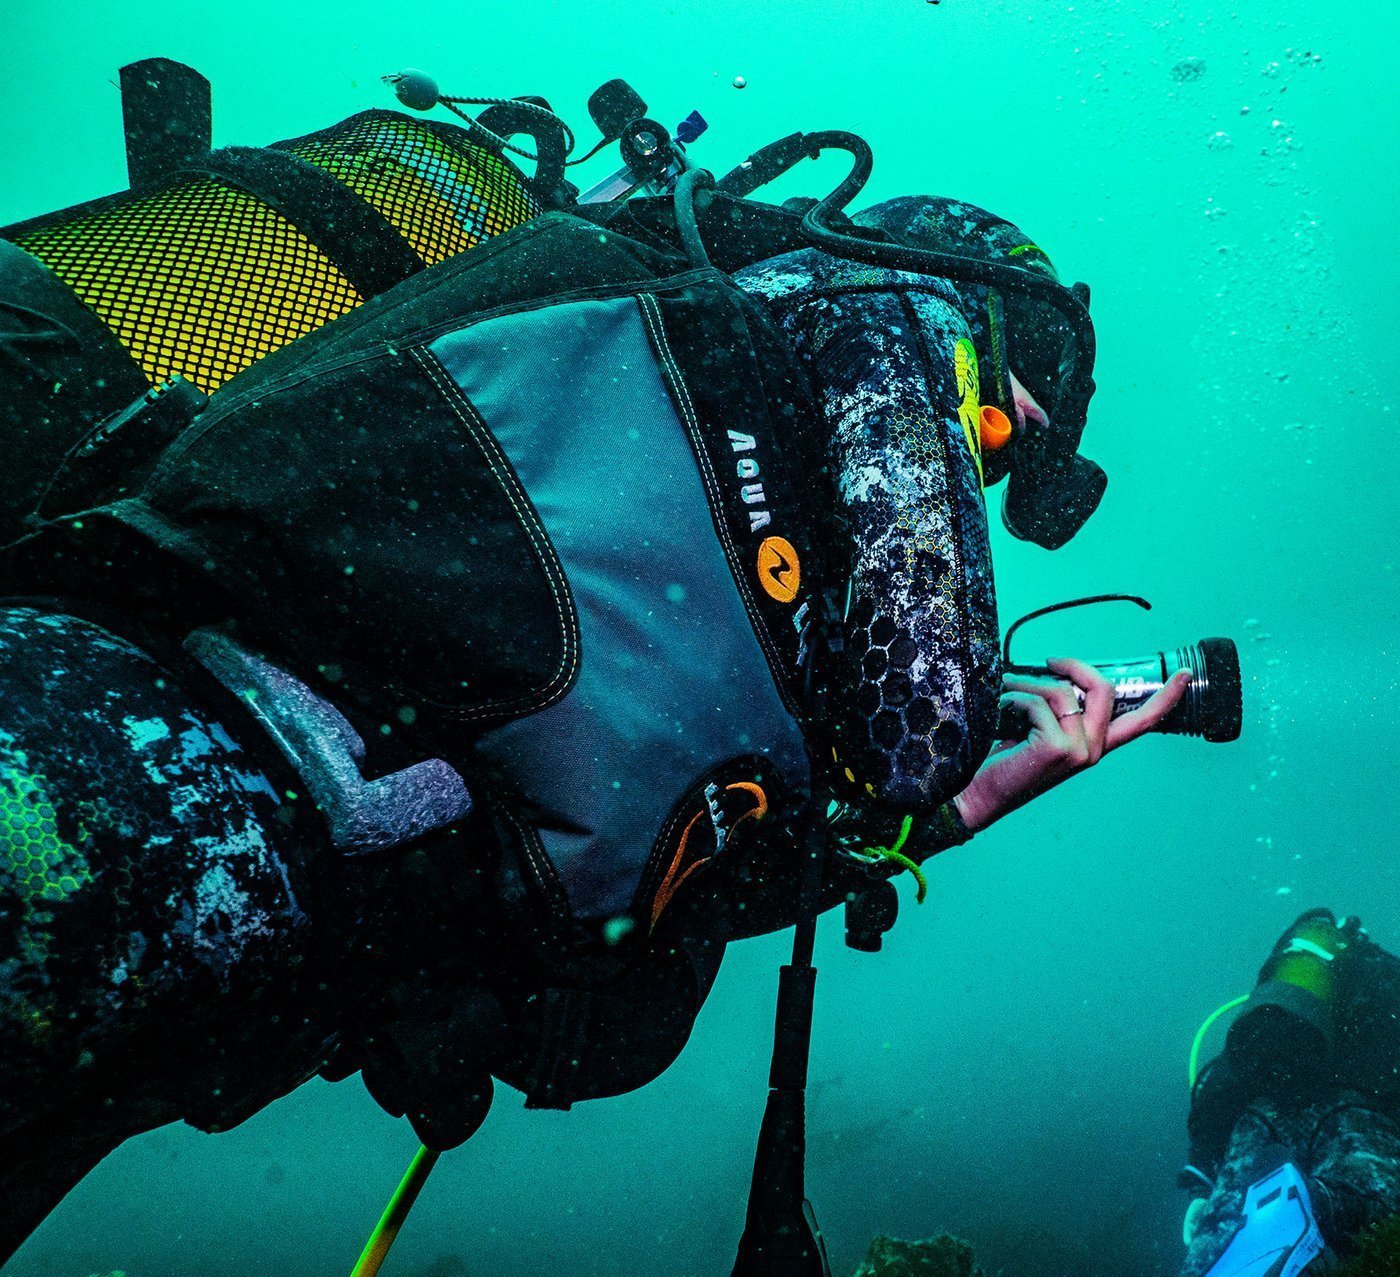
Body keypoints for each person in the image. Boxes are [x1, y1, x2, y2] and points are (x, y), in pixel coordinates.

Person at [0, 76, 1193, 1254]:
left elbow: (634, 934)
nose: (966, 476)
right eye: (993, 433)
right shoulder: (882, 304)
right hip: (167, 795)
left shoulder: (670, 394)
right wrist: (958, 772)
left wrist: (976, 798)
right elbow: (916, 730)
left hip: (224, 908)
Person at [1180, 910, 1400, 1276]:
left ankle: (1235, 1237)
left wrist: (1201, 1185)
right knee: (1365, 1201)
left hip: (1260, 1118)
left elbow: (1216, 1088)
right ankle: (1317, 1202)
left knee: (1224, 1226)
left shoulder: (1268, 1019)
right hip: (1364, 1121)